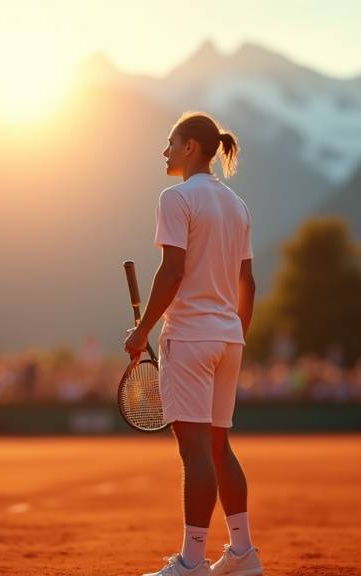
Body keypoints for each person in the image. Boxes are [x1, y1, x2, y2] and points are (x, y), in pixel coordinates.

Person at [124, 112, 263, 576]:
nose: (164, 151)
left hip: (190, 338)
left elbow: (172, 271)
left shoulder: (175, 198)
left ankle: (191, 562)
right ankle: (243, 555)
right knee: (219, 448)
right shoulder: (238, 205)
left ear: (190, 149)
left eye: (170, 142)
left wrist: (143, 329)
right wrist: (235, 332)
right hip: (228, 340)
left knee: (197, 453)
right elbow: (248, 282)